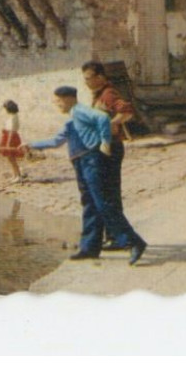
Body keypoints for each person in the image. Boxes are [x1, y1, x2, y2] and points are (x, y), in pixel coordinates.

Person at [29, 86, 147, 265]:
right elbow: (55, 141)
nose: (57, 105)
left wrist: (105, 142)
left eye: (58, 101)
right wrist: (30, 145)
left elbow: (103, 118)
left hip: (92, 161)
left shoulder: (81, 111)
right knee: (90, 204)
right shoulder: (71, 122)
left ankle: (133, 242)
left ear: (69, 99)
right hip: (81, 164)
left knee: (103, 203)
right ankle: (90, 248)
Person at [83, 59, 136, 247]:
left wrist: (112, 124)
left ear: (100, 77)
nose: (86, 82)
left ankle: (118, 237)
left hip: (111, 149)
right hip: (104, 148)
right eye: (85, 79)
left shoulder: (108, 94)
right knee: (107, 193)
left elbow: (127, 111)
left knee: (108, 194)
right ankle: (113, 236)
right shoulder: (99, 95)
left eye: (89, 78)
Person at [0, 99, 27, 181]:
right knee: (11, 158)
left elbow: (11, 131)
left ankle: (18, 176)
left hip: (10, 138)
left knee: (11, 158)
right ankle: (15, 175)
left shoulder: (13, 118)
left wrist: (8, 143)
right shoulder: (13, 116)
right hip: (9, 136)